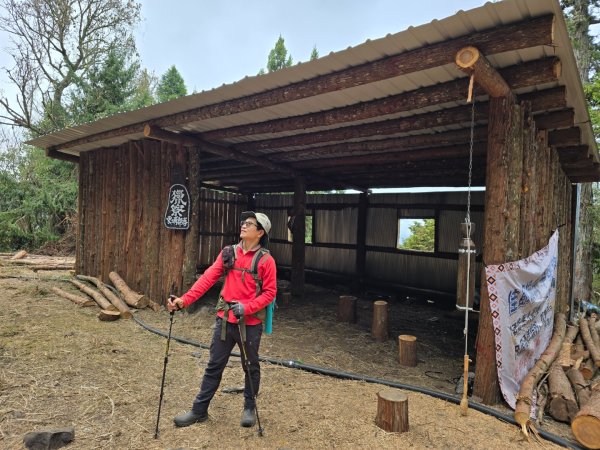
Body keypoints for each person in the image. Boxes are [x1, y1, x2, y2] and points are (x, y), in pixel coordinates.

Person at [167, 211, 276, 428]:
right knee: (214, 365)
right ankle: (199, 411)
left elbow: (270, 293)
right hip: (224, 321)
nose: (243, 225)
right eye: (243, 222)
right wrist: (184, 300)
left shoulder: (266, 261)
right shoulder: (228, 253)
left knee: (250, 366)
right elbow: (208, 278)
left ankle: (248, 408)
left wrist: (246, 307)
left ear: (260, 232)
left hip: (250, 324)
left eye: (250, 224)